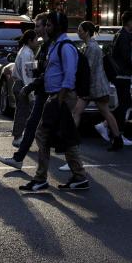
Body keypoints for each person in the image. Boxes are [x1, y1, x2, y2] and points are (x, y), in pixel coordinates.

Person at [20, 11, 89, 192]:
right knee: (65, 137)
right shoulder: (55, 45)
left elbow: (69, 75)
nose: (46, 28)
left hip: (61, 97)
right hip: (56, 96)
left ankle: (41, 178)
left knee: (42, 135)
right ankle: (79, 176)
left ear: (58, 26)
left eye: (49, 25)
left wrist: (59, 100)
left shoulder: (65, 47)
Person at [0, 12, 50, 170]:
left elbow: (32, 73)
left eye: (39, 25)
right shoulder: (29, 52)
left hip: (38, 89)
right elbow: (29, 75)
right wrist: (31, 91)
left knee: (32, 119)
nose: (37, 30)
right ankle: (21, 153)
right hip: (32, 88)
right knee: (29, 118)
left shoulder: (41, 48)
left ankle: (23, 154)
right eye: (36, 27)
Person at [73, 21, 123, 151]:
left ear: (87, 32)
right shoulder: (89, 46)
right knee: (79, 111)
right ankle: (71, 140)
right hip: (93, 86)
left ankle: (118, 139)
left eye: (80, 30)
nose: (78, 32)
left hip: (96, 87)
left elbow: (88, 68)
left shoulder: (92, 47)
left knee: (104, 112)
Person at [96, 10, 132, 143]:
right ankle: (113, 129)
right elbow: (125, 56)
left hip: (119, 74)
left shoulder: (120, 34)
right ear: (129, 22)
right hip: (122, 74)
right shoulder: (125, 36)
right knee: (125, 103)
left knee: (125, 103)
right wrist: (131, 69)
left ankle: (111, 128)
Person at [11, 30, 38, 147]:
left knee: (24, 112)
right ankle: (17, 137)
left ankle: (20, 136)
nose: (37, 42)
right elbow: (27, 74)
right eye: (36, 39)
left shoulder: (26, 51)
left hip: (21, 84)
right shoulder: (26, 53)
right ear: (30, 40)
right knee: (23, 112)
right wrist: (30, 92)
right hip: (23, 85)